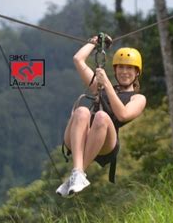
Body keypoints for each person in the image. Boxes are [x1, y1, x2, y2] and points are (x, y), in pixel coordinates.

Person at [56, 35, 147, 198]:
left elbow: (123, 114)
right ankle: (77, 173)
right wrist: (95, 41)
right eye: (121, 68)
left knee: (102, 117)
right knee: (82, 111)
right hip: (82, 137)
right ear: (115, 69)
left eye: (129, 68)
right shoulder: (101, 87)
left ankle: (78, 173)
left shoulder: (138, 98)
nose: (124, 72)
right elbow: (78, 59)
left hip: (106, 143)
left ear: (137, 72)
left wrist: (105, 84)